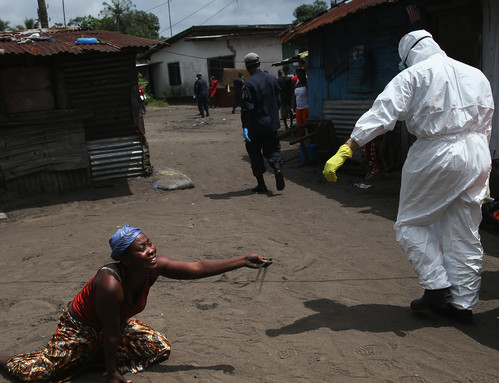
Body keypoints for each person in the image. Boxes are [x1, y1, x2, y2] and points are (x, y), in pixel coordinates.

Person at [322, 30, 494, 324]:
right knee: (465, 231)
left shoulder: (413, 75)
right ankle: (463, 303)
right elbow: (487, 121)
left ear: (407, 56)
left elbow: (382, 114)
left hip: (436, 153)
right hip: (477, 152)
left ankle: (436, 285)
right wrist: (483, 171)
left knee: (411, 224)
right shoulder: (476, 74)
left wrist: (347, 148)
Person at [0, 225, 272, 383]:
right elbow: (110, 334)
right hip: (80, 328)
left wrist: (241, 261)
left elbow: (197, 267)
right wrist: (112, 373)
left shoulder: (154, 267)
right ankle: (6, 358)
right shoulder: (109, 284)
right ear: (124, 259)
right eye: (141, 249)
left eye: (149, 243)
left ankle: (91, 358)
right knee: (39, 374)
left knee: (159, 346)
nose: (150, 251)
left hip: (114, 327)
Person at [240, 52, 285, 193]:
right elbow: (278, 102)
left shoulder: (248, 85)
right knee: (272, 150)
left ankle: (261, 184)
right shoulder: (272, 79)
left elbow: (247, 108)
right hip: (271, 125)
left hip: (255, 127)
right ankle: (277, 169)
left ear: (247, 67)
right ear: (259, 64)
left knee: (255, 154)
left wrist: (245, 127)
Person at [293, 68, 308, 135]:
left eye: (300, 75)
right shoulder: (296, 84)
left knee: (306, 127)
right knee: (300, 128)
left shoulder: (307, 84)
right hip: (298, 108)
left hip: (306, 108)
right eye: (298, 75)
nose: (299, 76)